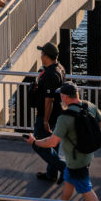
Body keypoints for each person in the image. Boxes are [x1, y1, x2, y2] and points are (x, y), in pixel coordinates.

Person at [25, 81, 101, 201]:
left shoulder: (65, 117)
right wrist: (85, 132)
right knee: (69, 179)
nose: (61, 99)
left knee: (86, 189)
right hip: (87, 154)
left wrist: (34, 142)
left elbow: (52, 142)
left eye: (61, 96)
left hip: (77, 159)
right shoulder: (88, 105)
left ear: (64, 97)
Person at [27, 42, 66, 183]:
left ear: (47, 56)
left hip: (47, 115)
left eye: (42, 53)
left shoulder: (50, 74)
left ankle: (64, 168)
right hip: (58, 114)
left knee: (38, 143)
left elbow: (49, 100)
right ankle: (51, 174)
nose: (41, 55)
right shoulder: (59, 68)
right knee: (53, 144)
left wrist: (45, 120)